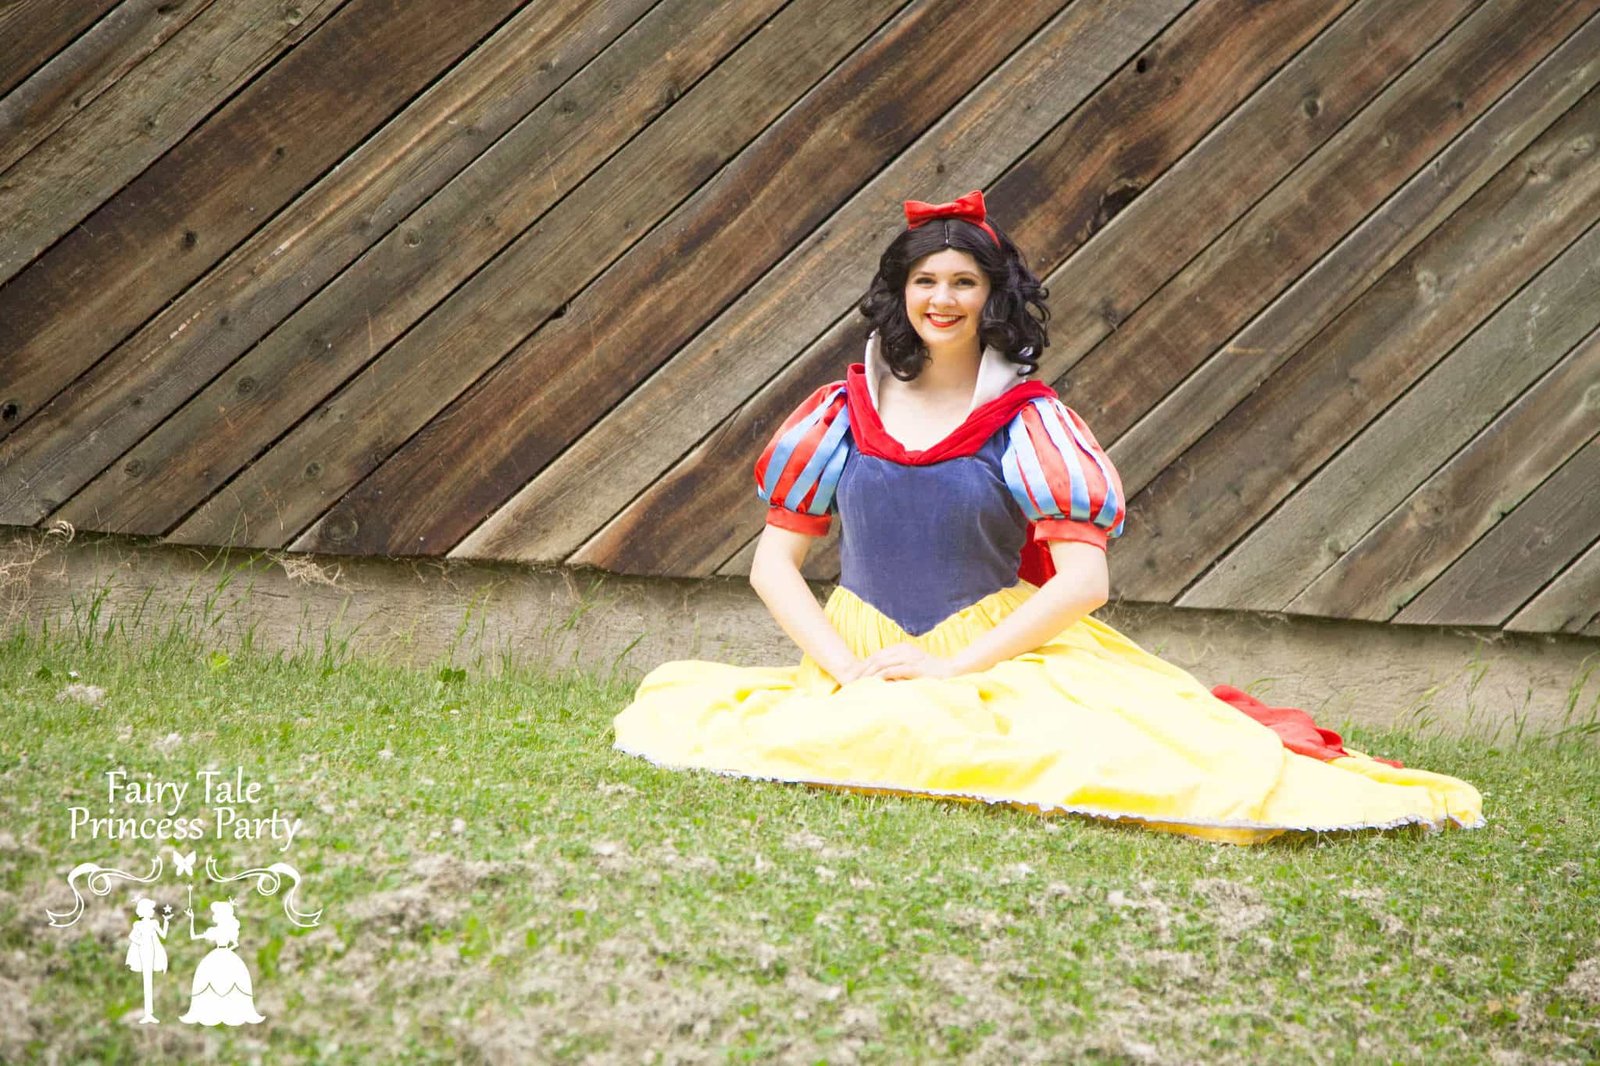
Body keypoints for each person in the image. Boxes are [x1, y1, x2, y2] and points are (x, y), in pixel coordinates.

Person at [611, 189, 1484, 845]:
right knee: (828, 729)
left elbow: (1084, 582)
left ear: (993, 299)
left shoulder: (1032, 421)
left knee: (1088, 757)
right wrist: (844, 669)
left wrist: (955, 673)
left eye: (963, 282)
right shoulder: (839, 411)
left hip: (995, 651)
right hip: (862, 651)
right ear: (900, 294)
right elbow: (774, 565)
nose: (942, 299)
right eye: (925, 281)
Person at [179, 898, 265, 1026]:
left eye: (216, 914)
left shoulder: (224, 930)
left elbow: (235, 944)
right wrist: (192, 918)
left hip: (222, 955)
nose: (214, 916)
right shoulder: (214, 931)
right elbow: (194, 936)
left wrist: (226, 953)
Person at [125, 897, 170, 1023]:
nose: (151, 911)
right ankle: (147, 1013)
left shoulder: (154, 923)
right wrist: (141, 942)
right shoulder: (138, 924)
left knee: (149, 979)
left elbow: (164, 935)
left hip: (152, 951)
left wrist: (166, 922)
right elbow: (132, 936)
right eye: (150, 909)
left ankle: (150, 1013)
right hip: (143, 951)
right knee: (146, 980)